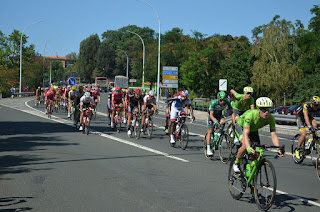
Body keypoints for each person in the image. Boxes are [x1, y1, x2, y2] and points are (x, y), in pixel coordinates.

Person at [233, 97, 285, 172]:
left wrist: (278, 148)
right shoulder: (250, 115)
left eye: (268, 109)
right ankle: (236, 163)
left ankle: (252, 180)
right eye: (264, 110)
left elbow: (273, 134)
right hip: (241, 128)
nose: (266, 112)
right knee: (245, 145)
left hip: (253, 130)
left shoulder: (270, 118)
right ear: (258, 109)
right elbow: (245, 133)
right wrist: (248, 147)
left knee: (257, 155)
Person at [205, 91, 233, 156]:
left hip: (219, 114)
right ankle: (208, 149)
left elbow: (232, 112)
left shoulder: (227, 102)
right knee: (210, 130)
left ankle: (218, 136)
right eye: (221, 100)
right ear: (218, 99)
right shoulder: (214, 102)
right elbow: (211, 115)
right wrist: (215, 121)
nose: (222, 102)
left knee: (223, 122)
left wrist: (234, 119)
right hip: (211, 115)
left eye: (223, 100)